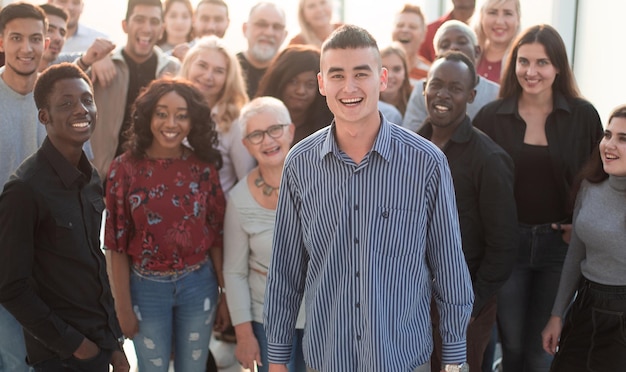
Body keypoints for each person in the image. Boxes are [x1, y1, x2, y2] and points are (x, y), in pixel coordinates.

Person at [263, 24, 473, 372]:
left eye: (362, 73)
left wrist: (453, 358)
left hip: (403, 359)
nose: (349, 87)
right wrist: (277, 358)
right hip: (326, 359)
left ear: (383, 78)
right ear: (321, 83)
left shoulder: (427, 163)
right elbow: (285, 273)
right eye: (337, 75)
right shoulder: (299, 164)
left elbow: (449, 267)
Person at [472, 24, 604, 372]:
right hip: (507, 246)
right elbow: (476, 184)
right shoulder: (491, 116)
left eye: (542, 63)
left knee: (541, 352)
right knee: (512, 348)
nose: (531, 72)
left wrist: (581, 224)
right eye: (523, 61)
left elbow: (599, 178)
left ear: (558, 66)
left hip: (559, 249)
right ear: (513, 64)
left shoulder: (583, 115)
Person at [0, 62, 130, 372]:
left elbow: (93, 265)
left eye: (87, 100)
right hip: (61, 358)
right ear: (44, 116)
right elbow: (9, 286)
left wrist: (113, 343)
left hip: (100, 344)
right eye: (66, 103)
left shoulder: (91, 178)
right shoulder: (24, 190)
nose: (81, 109)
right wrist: (76, 346)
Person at [104, 78, 226, 371]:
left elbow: (218, 236)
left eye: (182, 115)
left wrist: (226, 296)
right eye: (161, 113)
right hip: (146, 289)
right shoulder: (124, 167)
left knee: (193, 368)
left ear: (192, 121)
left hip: (199, 285)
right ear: (148, 116)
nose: (171, 123)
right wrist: (122, 308)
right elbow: (115, 244)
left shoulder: (203, 167)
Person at [417, 51, 517, 372]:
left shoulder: (489, 159)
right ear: (424, 88)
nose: (444, 94)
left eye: (455, 88)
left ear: (471, 95)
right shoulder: (410, 148)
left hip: (462, 306)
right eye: (437, 85)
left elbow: (503, 246)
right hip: (412, 302)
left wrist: (467, 306)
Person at [541, 105, 626, 371]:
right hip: (585, 305)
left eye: (623, 139)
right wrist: (557, 314)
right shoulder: (590, 185)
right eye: (608, 135)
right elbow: (576, 254)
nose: (609, 145)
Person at [223, 96, 306, 372]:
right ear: (245, 145)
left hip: (324, 317)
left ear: (291, 131)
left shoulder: (324, 183)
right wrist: (244, 334)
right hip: (267, 320)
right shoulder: (238, 199)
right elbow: (234, 273)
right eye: (256, 135)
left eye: (275, 129)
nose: (268, 141)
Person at [0, 4, 49, 370]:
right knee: (13, 358)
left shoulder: (60, 98)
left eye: (35, 38)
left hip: (49, 257)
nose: (26, 48)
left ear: (46, 42)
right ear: (2, 41)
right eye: (16, 38)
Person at [89, 0, 180, 179]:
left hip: (153, 178)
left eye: (154, 22)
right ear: (125, 25)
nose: (147, 28)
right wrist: (92, 62)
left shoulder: (174, 70)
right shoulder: (102, 64)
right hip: (101, 178)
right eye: (139, 19)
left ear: (162, 29)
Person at [179, 35, 255, 194]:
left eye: (219, 71)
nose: (208, 76)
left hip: (215, 214)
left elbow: (247, 180)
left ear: (228, 78)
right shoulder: (169, 108)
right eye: (202, 65)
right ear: (188, 65)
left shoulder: (236, 122)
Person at [403, 20, 499, 132]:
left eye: (462, 42)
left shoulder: (496, 93)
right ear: (437, 58)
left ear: (477, 51)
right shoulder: (422, 89)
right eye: (444, 45)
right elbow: (409, 136)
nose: (453, 47)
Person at [255, 44, 333, 144]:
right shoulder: (256, 120)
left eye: (310, 84)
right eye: (293, 82)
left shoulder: (328, 131)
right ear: (278, 81)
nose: (301, 91)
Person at [38, 3, 115, 73]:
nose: (58, 38)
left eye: (62, 33)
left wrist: (100, 57)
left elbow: (84, 59)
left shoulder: (59, 60)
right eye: (49, 30)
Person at [237, 2, 288, 99]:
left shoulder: (289, 73)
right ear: (245, 29)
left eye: (276, 27)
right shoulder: (229, 68)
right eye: (262, 25)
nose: (269, 32)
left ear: (284, 35)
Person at [472, 0, 520, 83]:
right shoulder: (470, 52)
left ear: (518, 19)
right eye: (492, 13)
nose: (499, 21)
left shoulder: (523, 58)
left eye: (507, 13)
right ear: (481, 17)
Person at [391, 4, 430, 83]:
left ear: (423, 35)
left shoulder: (430, 74)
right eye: (400, 25)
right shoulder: (377, 67)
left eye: (412, 27)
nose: (405, 30)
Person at [379, 43, 412, 117]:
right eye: (383, 69)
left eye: (396, 69)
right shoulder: (364, 102)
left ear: (405, 73)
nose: (389, 75)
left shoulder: (415, 100)